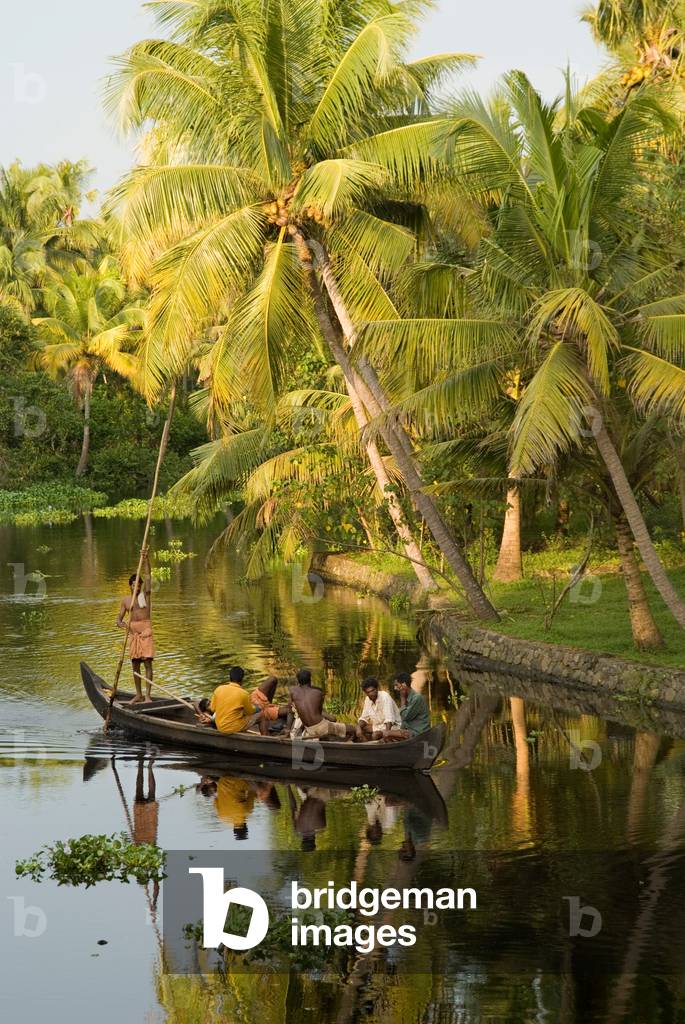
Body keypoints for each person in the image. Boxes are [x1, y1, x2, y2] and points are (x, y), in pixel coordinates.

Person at [116, 548, 154, 704]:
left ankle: (147, 696)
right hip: (133, 634)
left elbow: (148, 577)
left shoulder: (144, 596)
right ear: (130, 586)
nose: (136, 587)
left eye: (138, 585)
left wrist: (146, 559)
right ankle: (138, 694)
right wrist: (121, 624)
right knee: (135, 664)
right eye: (133, 585)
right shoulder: (126, 600)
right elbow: (118, 618)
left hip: (145, 631)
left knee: (147, 663)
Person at [288, 669, 356, 741]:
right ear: (310, 680)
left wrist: (287, 730)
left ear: (298, 681)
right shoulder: (318, 693)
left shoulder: (292, 691)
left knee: (328, 727)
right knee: (353, 729)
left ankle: (327, 739)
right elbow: (319, 712)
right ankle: (348, 744)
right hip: (322, 727)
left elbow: (290, 712)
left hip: (309, 729)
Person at [200, 667, 256, 735]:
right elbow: (250, 712)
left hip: (220, 727)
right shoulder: (244, 693)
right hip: (232, 728)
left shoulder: (219, 689)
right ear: (242, 680)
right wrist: (258, 708)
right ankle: (265, 737)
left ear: (230, 678)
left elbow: (213, 708)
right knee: (262, 715)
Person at [394, 672, 431, 737]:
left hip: (419, 732)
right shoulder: (407, 698)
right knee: (385, 736)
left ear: (404, 685)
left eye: (397, 685)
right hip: (410, 730)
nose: (395, 688)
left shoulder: (416, 698)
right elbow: (404, 722)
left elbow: (405, 717)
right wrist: (400, 730)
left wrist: (402, 698)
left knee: (386, 734)